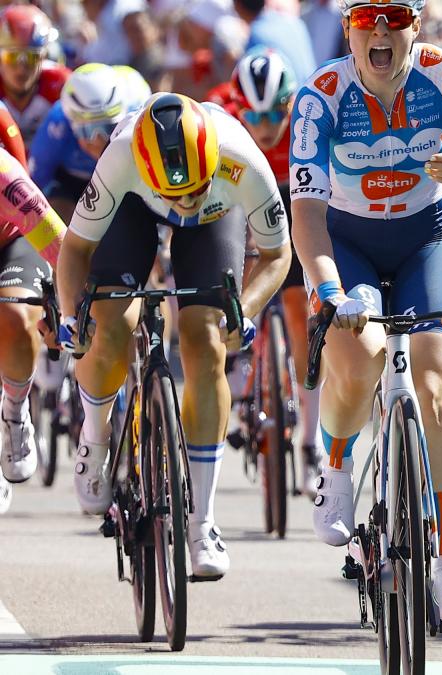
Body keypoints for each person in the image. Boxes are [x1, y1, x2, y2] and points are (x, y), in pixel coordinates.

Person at [288, 0, 442, 626]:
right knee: (359, 362)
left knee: (431, 384)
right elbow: (307, 215)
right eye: (367, 18)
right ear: (349, 30)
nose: (381, 30)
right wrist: (329, 290)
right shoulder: (321, 95)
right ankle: (335, 467)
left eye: (396, 16)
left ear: (416, 26)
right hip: (348, 242)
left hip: (429, 235)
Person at [56, 93, 293, 581]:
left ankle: (202, 521)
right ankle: (96, 434)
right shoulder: (121, 156)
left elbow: (276, 255)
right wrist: (68, 315)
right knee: (111, 329)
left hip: (215, 220)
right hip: (133, 208)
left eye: (194, 188)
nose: (185, 201)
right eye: (176, 194)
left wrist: (244, 311)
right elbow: (76, 247)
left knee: (205, 341)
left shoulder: (240, 160)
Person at [208, 46, 322, 494]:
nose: (266, 128)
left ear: (289, 105)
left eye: (274, 115)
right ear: (238, 107)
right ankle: (239, 367)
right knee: (226, 279)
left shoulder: (310, 115)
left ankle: (312, 444)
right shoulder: (219, 111)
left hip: (294, 198)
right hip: (238, 194)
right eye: (253, 119)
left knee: (301, 316)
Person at [0, 105, 66, 498]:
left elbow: (62, 248)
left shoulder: (8, 178)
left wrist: (68, 310)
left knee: (14, 316)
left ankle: (14, 409)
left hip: (13, 241)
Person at [29, 64, 151, 219]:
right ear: (70, 122)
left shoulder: (138, 110)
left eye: (108, 127)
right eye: (86, 130)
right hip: (71, 183)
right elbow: (35, 185)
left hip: (122, 179)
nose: (97, 139)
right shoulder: (58, 124)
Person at [0, 5, 71, 141]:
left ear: (44, 57)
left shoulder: (61, 84)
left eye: (32, 57)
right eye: (12, 57)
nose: (21, 68)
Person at [234, 0, 318, 80]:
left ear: (238, 5)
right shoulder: (294, 22)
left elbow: (249, 80)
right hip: (316, 90)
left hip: (290, 93)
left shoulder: (256, 33)